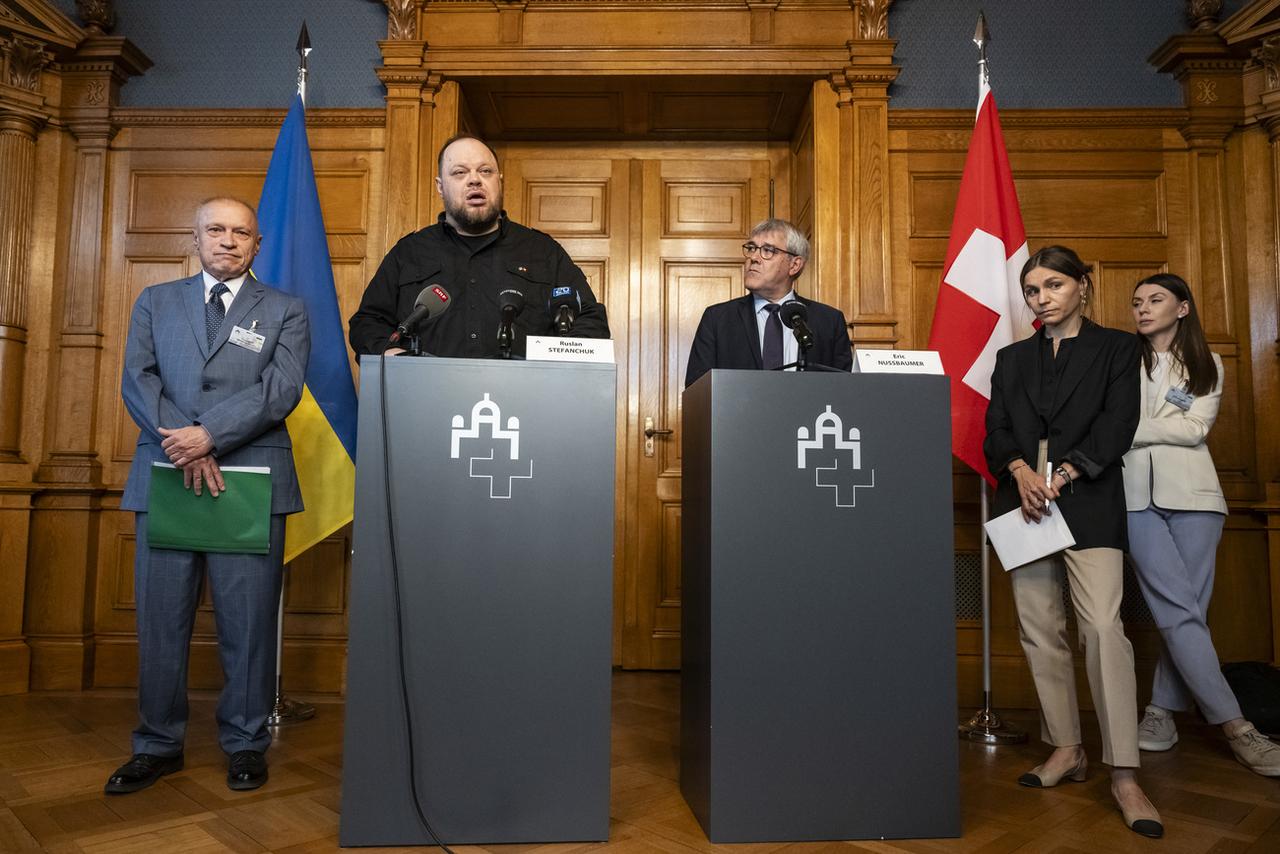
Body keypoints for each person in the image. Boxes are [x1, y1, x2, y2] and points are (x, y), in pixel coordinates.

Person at [108, 197, 310, 795]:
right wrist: (183, 443)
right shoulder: (155, 301)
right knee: (161, 621)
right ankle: (157, 744)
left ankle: (246, 744)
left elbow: (283, 388)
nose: (227, 240)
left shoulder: (286, 309)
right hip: (168, 474)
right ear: (194, 238)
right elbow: (137, 378)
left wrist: (210, 435)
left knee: (247, 626)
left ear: (257, 244)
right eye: (215, 230)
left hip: (248, 482)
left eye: (240, 232)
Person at [984, 245, 1161, 837]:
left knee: (1103, 629)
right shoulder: (1010, 359)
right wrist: (1020, 472)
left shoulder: (1116, 348)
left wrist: (1063, 474)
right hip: (1025, 505)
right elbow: (997, 430)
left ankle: (1124, 771)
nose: (1042, 298)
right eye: (1033, 290)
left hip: (1087, 501)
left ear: (1083, 286)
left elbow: (1119, 423)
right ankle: (1065, 747)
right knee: (1039, 629)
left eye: (1054, 286)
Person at [1125, 273, 1280, 775]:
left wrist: (1126, 428)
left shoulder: (1205, 362)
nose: (1143, 309)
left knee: (1186, 611)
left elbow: (1193, 430)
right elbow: (1107, 423)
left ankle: (1160, 713)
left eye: (1155, 300)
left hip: (1197, 500)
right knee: (1176, 608)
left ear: (1183, 308)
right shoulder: (1118, 361)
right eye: (1137, 302)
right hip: (1132, 500)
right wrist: (1138, 428)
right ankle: (1237, 726)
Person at [348, 135, 609, 357]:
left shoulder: (542, 251)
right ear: (440, 187)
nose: (475, 180)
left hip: (526, 404)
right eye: (460, 172)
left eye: (485, 171)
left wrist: (561, 361)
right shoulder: (409, 253)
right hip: (427, 401)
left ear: (499, 180)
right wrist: (390, 352)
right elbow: (367, 323)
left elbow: (590, 319)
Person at [684, 218, 852, 387]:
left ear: (794, 265)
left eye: (768, 250)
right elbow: (697, 392)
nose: (754, 258)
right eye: (751, 248)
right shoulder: (717, 319)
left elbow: (844, 393)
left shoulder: (829, 321)